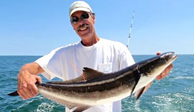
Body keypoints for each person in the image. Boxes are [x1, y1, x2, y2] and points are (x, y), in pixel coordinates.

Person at [17, 1, 173, 112]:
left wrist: (154, 76)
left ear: (93, 17)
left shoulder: (117, 49)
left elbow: (141, 86)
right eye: (74, 19)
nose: (80, 22)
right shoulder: (63, 53)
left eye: (84, 16)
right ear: (72, 25)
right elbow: (31, 68)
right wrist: (24, 74)